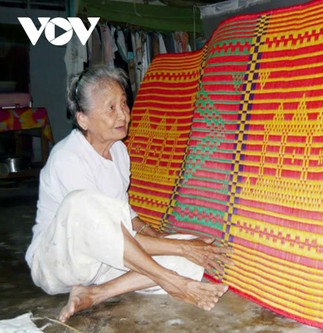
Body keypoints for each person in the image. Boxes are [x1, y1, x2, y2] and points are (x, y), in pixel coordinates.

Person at [25, 66, 231, 323]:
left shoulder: (119, 152)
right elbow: (107, 231)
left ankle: (96, 294)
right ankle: (172, 282)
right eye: (110, 108)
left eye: (124, 103)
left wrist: (166, 239)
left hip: (101, 263)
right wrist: (179, 248)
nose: (123, 114)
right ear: (83, 120)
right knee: (81, 203)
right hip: (58, 263)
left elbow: (124, 215)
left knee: (190, 256)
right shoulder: (67, 158)